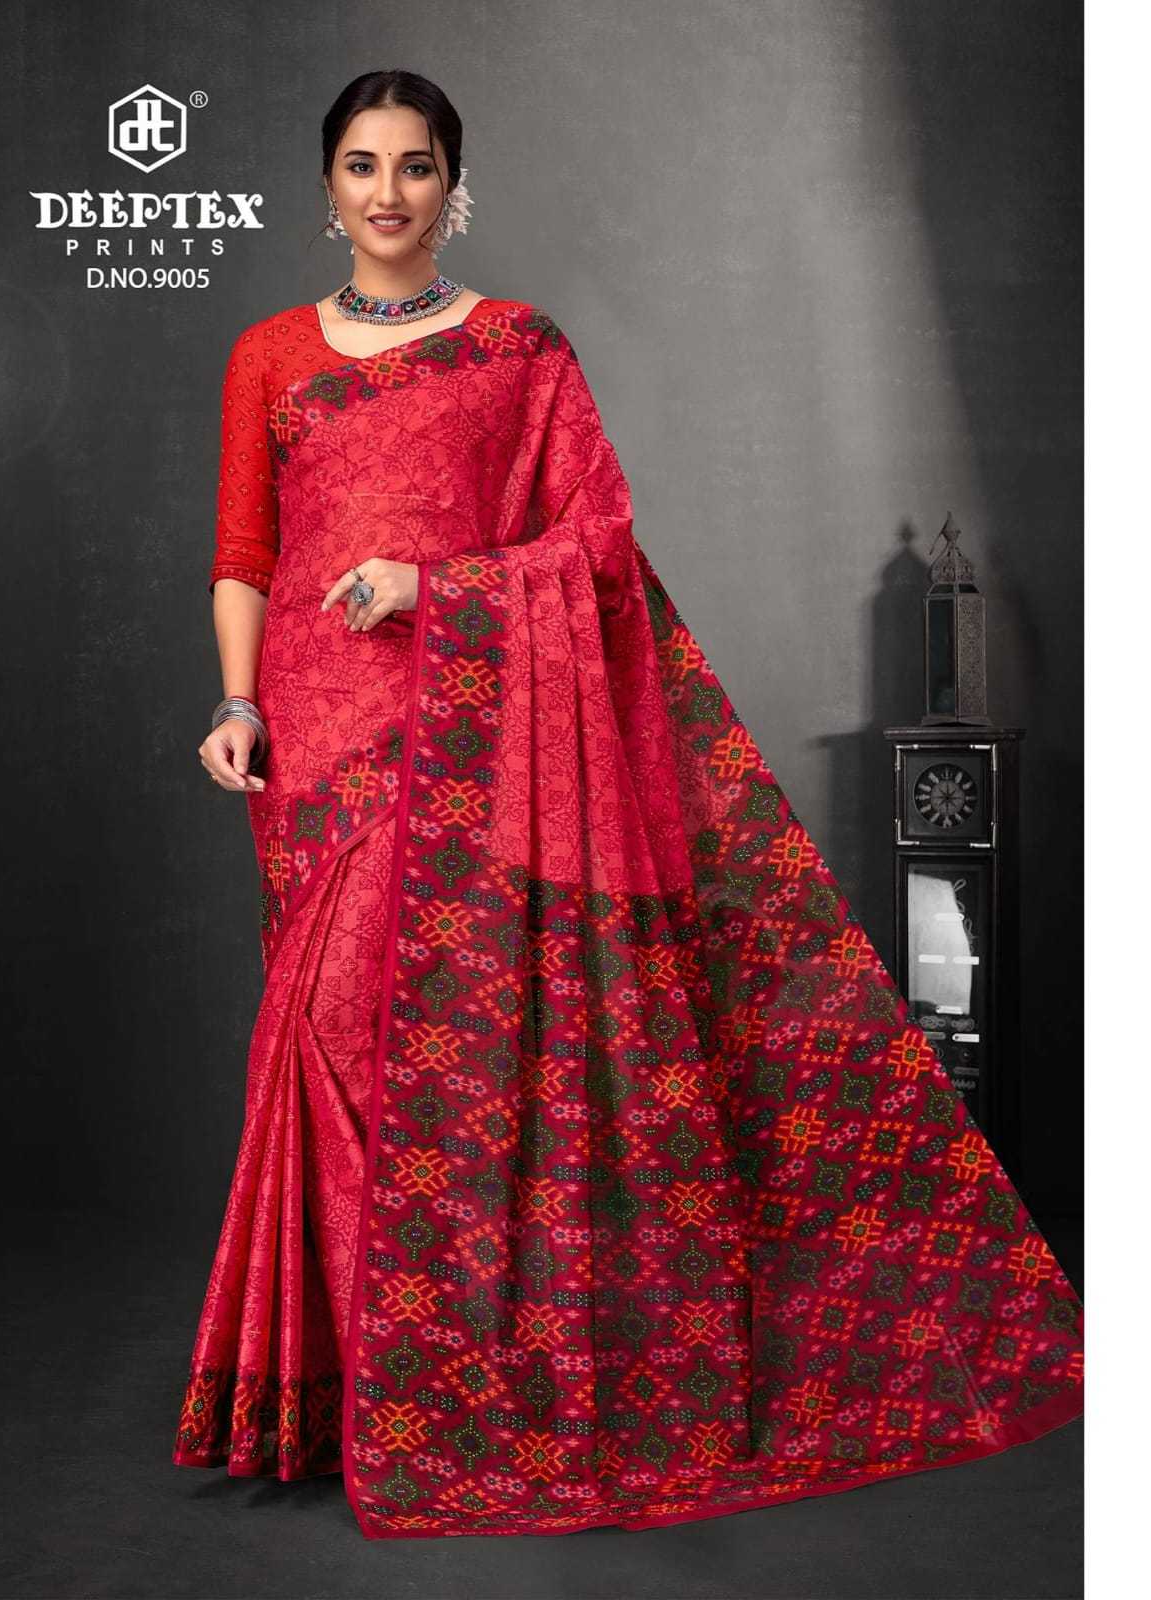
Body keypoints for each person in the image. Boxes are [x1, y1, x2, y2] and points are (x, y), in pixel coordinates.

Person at [172, 69, 1083, 1542]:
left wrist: (434, 587)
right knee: (327, 1032)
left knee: (447, 1044)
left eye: (416, 165)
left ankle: (457, 1388)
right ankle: (351, 1390)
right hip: (316, 731)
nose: (389, 193)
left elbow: (596, 547)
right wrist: (237, 704)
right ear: (326, 185)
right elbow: (244, 552)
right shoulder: (268, 353)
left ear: (453, 181)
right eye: (362, 165)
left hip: (467, 722)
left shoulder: (519, 347)